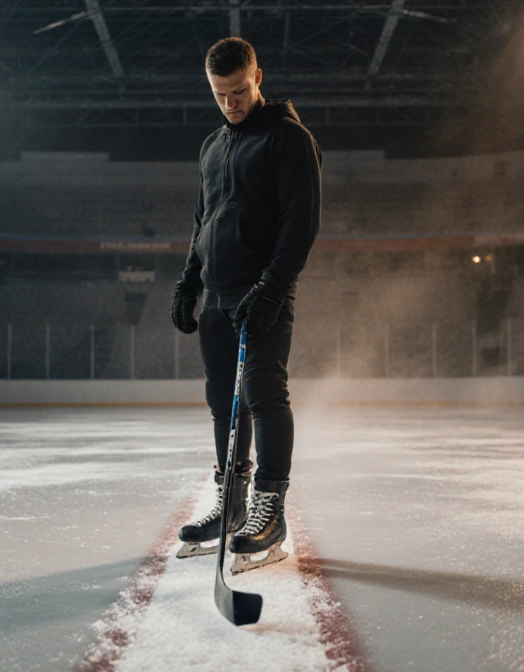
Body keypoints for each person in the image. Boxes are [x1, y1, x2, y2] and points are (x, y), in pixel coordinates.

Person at [170, 37, 322, 573]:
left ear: (258, 77)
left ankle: (269, 507)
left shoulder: (288, 139)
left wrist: (271, 290)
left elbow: (299, 227)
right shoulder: (212, 145)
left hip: (263, 294)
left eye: (238, 91)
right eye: (219, 94)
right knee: (222, 403)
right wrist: (190, 280)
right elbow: (203, 221)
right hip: (217, 294)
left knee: (262, 393)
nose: (230, 103)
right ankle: (231, 501)